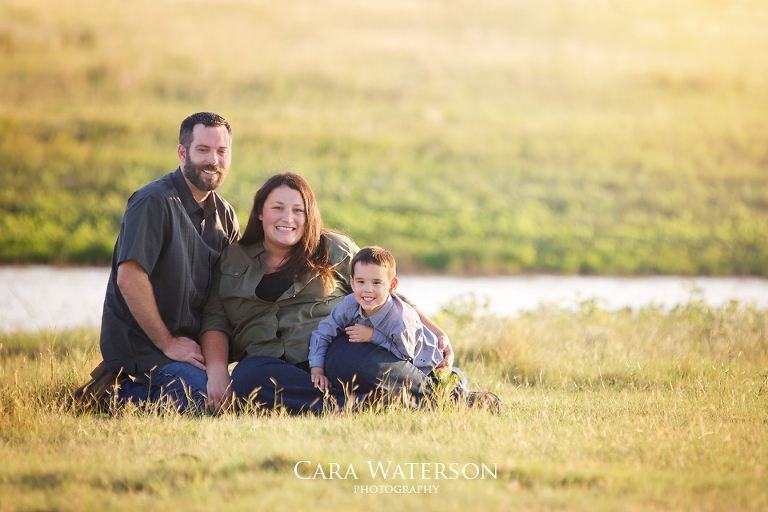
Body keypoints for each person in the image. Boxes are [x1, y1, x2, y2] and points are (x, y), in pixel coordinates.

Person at [200, 172, 499, 414]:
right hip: (277, 366)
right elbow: (215, 320)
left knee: (346, 359)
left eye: (297, 210)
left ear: (309, 215)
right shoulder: (232, 259)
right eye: (277, 208)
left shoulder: (334, 248)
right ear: (260, 213)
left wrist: (435, 330)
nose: (287, 218)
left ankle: (450, 397)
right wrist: (216, 371)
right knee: (246, 379)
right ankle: (356, 405)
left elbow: (385, 292)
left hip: (337, 353)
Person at [74, 112, 240, 411]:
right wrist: (168, 343)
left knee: (238, 395)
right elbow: (130, 278)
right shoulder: (153, 201)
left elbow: (228, 293)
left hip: (193, 349)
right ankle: (108, 396)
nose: (213, 160)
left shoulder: (225, 214)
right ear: (182, 152)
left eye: (221, 151)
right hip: (146, 349)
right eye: (203, 150)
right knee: (202, 401)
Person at [308, 246, 444, 390]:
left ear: (392, 286)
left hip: (425, 368)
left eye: (376, 282)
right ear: (352, 283)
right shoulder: (349, 305)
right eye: (361, 282)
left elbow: (403, 360)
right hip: (381, 364)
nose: (368, 289)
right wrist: (317, 370)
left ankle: (452, 384)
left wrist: (373, 336)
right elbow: (322, 333)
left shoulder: (401, 321)